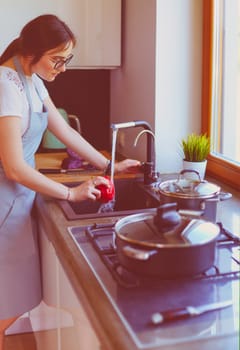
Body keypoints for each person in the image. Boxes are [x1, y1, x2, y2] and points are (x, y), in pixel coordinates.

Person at [0, 14, 140, 348]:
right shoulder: (5, 85)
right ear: (31, 50)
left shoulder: (32, 79)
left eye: (66, 60)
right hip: (4, 202)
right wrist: (71, 193)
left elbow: (63, 131)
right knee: (3, 309)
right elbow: (15, 168)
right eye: (57, 59)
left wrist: (110, 166)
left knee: (9, 305)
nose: (62, 68)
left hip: (19, 201)